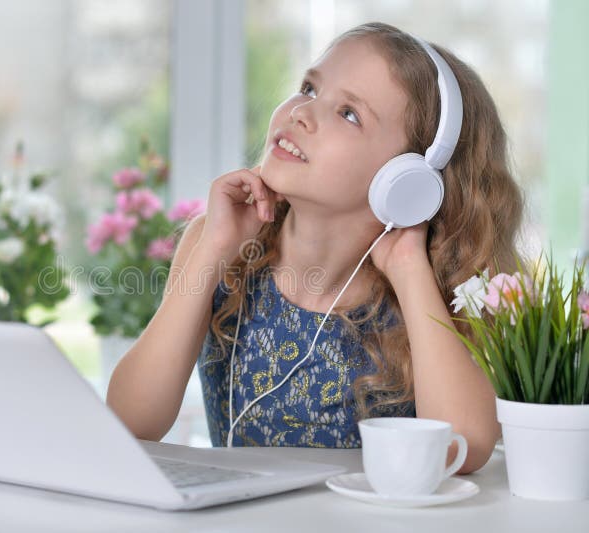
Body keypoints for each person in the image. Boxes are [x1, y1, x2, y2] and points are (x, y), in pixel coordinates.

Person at [106, 21, 523, 474]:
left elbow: (463, 448)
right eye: (309, 87)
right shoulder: (219, 247)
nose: (301, 113)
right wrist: (211, 251)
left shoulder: (437, 289)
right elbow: (131, 420)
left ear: (408, 179)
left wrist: (408, 267)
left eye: (349, 113)